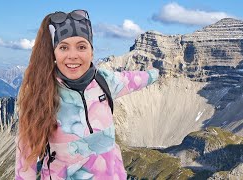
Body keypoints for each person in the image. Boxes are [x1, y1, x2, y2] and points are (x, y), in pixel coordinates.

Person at [15, 9, 159, 180]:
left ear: (92, 51)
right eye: (63, 47)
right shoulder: (41, 94)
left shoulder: (105, 81)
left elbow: (134, 79)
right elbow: (25, 160)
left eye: (81, 46)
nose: (73, 56)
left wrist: (157, 74)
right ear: (54, 53)